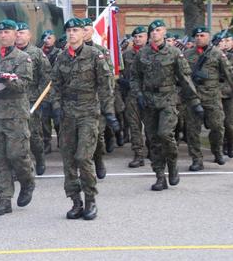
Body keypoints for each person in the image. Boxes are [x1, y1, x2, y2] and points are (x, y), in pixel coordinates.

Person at [50, 17, 116, 220]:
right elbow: (55, 85)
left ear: (83, 33)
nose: (72, 34)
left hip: (88, 112)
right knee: (68, 159)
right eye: (69, 30)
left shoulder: (95, 55)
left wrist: (110, 113)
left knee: (83, 157)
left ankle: (90, 200)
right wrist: (57, 108)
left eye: (76, 30)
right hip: (68, 113)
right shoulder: (62, 57)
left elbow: (106, 86)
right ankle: (75, 201)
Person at [130, 19, 201, 191]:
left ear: (164, 33)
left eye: (158, 30)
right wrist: (138, 94)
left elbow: (185, 78)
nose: (155, 33)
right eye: (152, 31)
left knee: (165, 134)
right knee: (153, 139)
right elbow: (135, 77)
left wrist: (195, 101)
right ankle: (160, 176)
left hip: (168, 98)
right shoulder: (142, 54)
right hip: (148, 100)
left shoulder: (174, 53)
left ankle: (172, 164)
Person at [0, 19, 35, 216]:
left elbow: (24, 85)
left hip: (15, 115)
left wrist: (8, 80)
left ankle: (27, 181)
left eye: (8, 32)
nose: (4, 36)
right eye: (1, 33)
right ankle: (4, 199)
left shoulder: (23, 58)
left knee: (17, 155)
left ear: (15, 34)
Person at [184, 26, 233, 170]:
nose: (199, 38)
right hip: (193, 98)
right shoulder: (186, 55)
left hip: (212, 97)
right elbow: (181, 77)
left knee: (217, 127)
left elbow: (230, 75)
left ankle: (217, 151)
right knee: (192, 130)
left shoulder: (217, 54)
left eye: (203, 35)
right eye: (197, 36)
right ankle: (196, 159)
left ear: (209, 37)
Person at [81, 17, 117, 179]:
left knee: (97, 134)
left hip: (96, 101)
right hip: (76, 102)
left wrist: (107, 100)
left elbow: (108, 76)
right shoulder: (69, 51)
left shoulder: (101, 52)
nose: (84, 32)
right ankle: (84, 169)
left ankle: (98, 160)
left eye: (87, 29)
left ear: (92, 31)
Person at [16, 22, 52, 175]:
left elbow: (46, 78)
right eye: (16, 33)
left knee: (33, 135)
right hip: (12, 101)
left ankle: (40, 157)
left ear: (29, 35)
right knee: (15, 136)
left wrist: (39, 99)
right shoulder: (8, 53)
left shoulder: (37, 53)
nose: (18, 35)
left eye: (22, 33)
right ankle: (19, 167)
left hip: (32, 101)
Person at [120, 26, 148, 168]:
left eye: (140, 36)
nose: (137, 39)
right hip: (132, 94)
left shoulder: (152, 53)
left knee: (150, 126)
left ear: (147, 37)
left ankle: (153, 150)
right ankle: (138, 154)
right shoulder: (127, 55)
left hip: (149, 94)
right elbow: (123, 73)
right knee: (134, 126)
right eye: (135, 37)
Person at [40, 30, 61, 152]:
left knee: (58, 119)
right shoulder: (40, 53)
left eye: (50, 37)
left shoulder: (59, 53)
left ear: (54, 39)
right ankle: (47, 142)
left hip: (56, 91)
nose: (47, 40)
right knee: (44, 119)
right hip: (43, 92)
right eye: (45, 37)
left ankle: (60, 138)